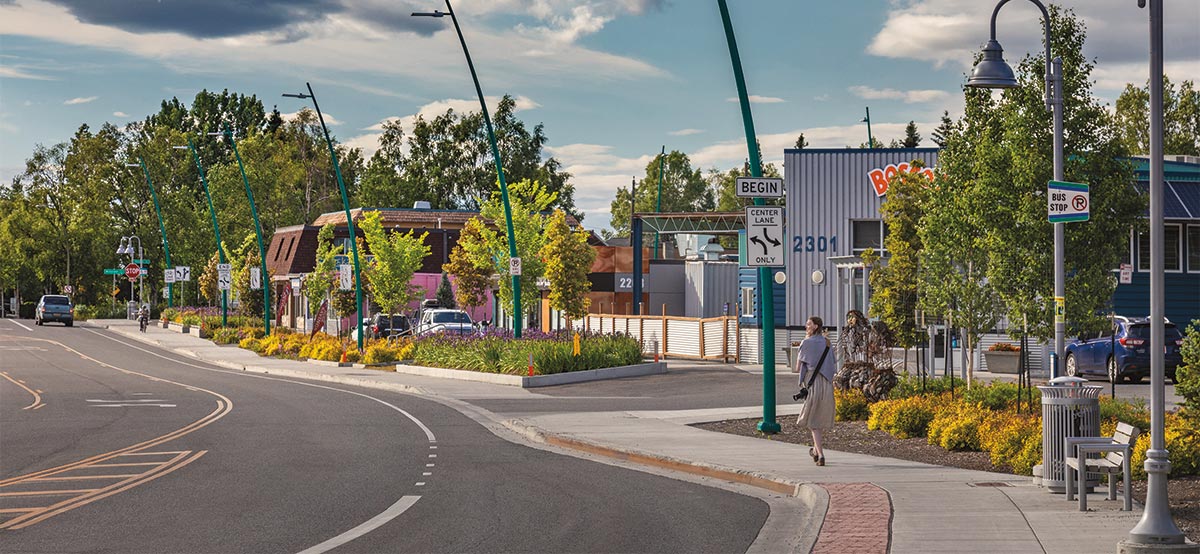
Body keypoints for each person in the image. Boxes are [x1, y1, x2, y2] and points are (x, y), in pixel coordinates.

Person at [793, 316, 834, 466]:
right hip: (827, 384)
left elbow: (798, 367)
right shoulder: (828, 343)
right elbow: (832, 365)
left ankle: (821, 455)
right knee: (818, 418)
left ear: (816, 326)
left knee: (813, 421)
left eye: (809, 324)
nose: (806, 326)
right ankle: (816, 451)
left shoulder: (806, 343)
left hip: (812, 383)